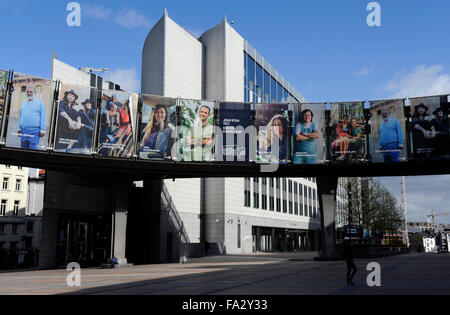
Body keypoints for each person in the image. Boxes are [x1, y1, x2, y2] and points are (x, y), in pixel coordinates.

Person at [17, 86, 47, 150]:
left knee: (33, 151)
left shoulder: (40, 103)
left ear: (35, 93)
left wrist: (43, 129)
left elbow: (43, 117)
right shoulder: (23, 103)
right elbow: (20, 116)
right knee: (23, 151)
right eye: (27, 92)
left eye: (31, 92)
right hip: (24, 131)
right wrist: (19, 128)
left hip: (34, 132)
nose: (29, 93)